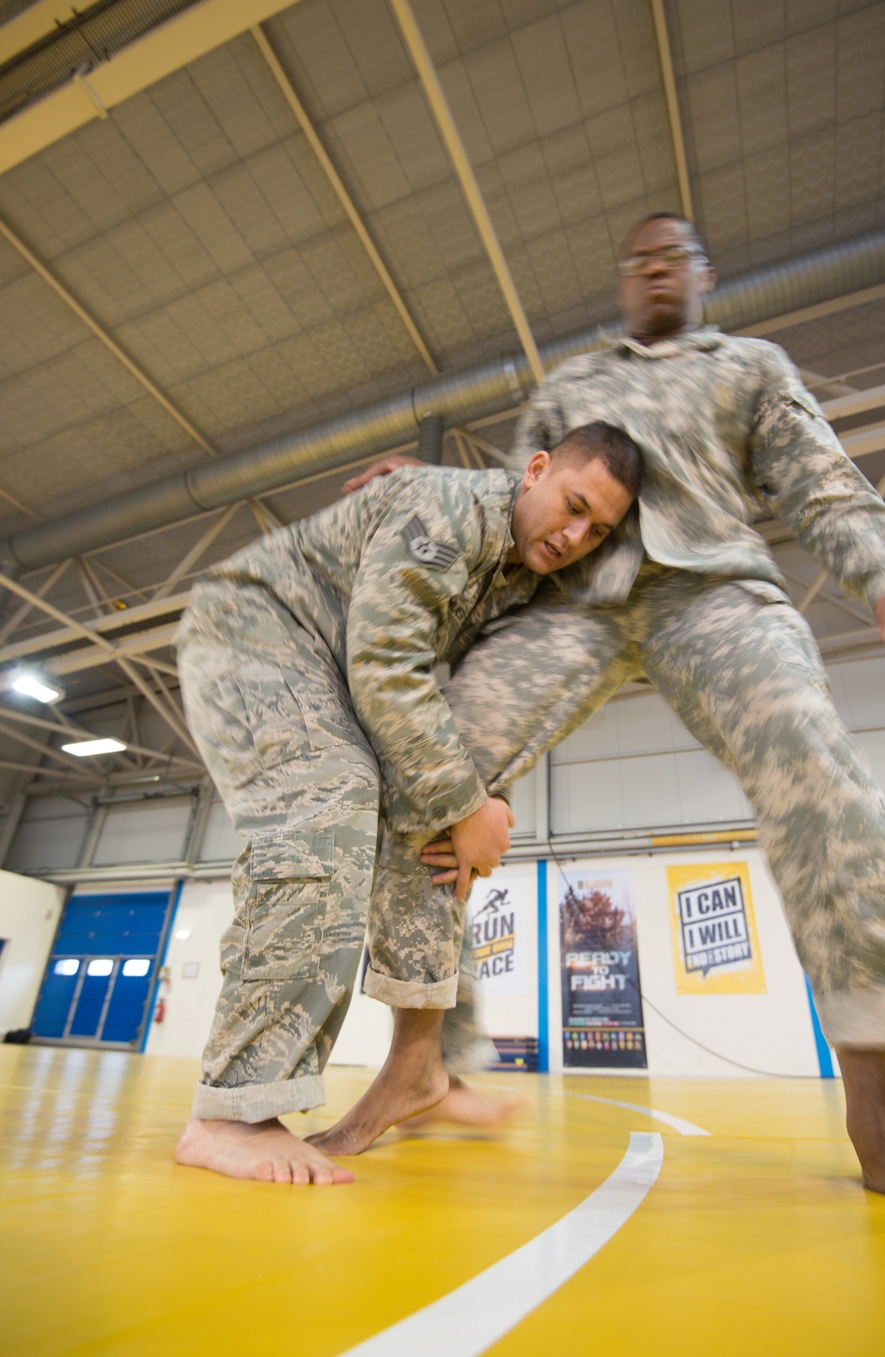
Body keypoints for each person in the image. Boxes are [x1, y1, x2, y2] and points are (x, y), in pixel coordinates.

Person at [327, 212, 885, 1217]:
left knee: (815, 771)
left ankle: (879, 1123)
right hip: (572, 605)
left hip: (714, 595)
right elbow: (522, 494)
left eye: (669, 256)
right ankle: (416, 1064)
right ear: (621, 280)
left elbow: (818, 481)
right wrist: (423, 493)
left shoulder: (748, 367)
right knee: (431, 768)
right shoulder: (571, 384)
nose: (650, 269)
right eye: (634, 258)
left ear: (700, 273)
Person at [172, 423, 644, 1184]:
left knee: (431, 823)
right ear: (535, 471)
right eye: (573, 505)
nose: (577, 534)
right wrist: (467, 803)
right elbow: (386, 664)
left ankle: (430, 1069)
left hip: (333, 668)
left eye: (599, 529)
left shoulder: (519, 571)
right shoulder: (447, 509)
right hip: (256, 631)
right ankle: (232, 1111)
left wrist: (472, 804)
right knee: (331, 800)